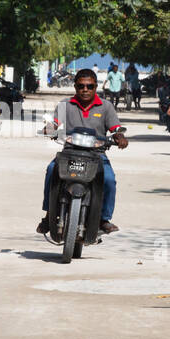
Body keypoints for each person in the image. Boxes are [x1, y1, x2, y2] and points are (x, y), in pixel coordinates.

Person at [36, 69, 128, 235]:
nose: (85, 90)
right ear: (75, 87)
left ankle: (103, 219)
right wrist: (49, 128)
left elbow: (116, 129)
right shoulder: (65, 105)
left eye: (89, 86)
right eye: (81, 86)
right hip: (70, 153)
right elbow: (55, 124)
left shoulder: (106, 107)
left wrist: (120, 137)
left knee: (108, 180)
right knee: (51, 171)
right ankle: (49, 215)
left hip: (97, 155)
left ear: (95, 87)